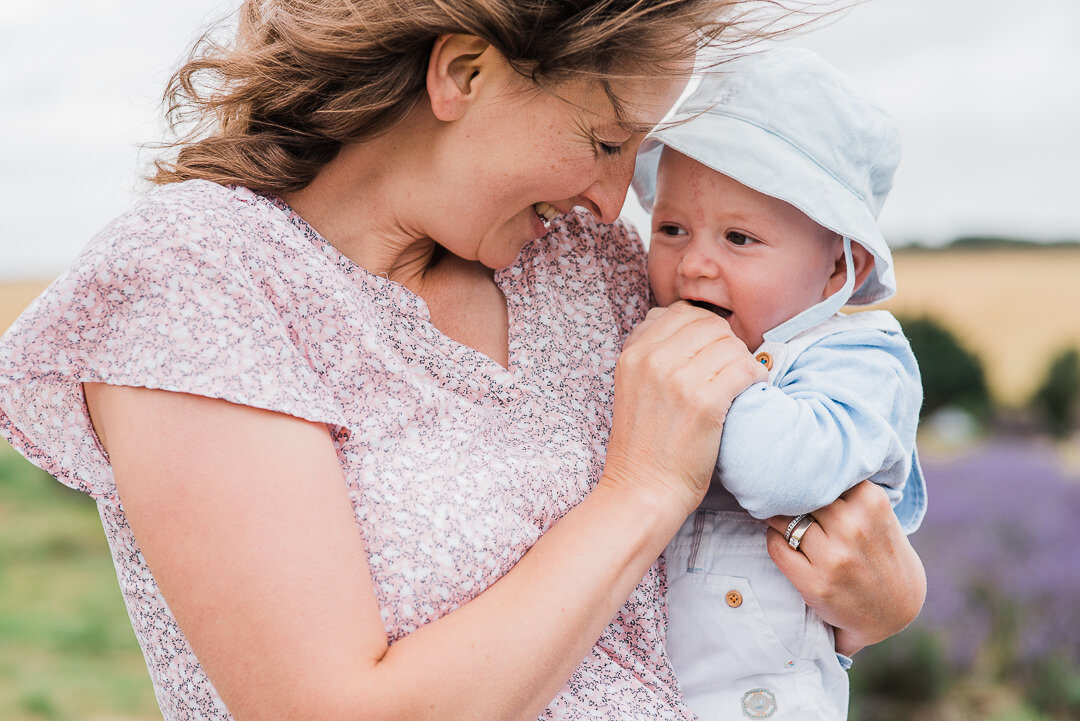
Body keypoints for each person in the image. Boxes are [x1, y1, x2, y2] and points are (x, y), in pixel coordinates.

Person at [0, 4, 926, 720]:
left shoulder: (587, 268)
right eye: (605, 144)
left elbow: (769, 515)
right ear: (465, 73)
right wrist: (639, 488)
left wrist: (880, 599)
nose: (614, 205)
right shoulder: (205, 277)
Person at [631, 47, 927, 720]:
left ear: (838, 271)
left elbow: (777, 472)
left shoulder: (859, 355)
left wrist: (694, 362)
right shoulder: (656, 328)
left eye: (739, 238)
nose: (694, 264)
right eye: (671, 228)